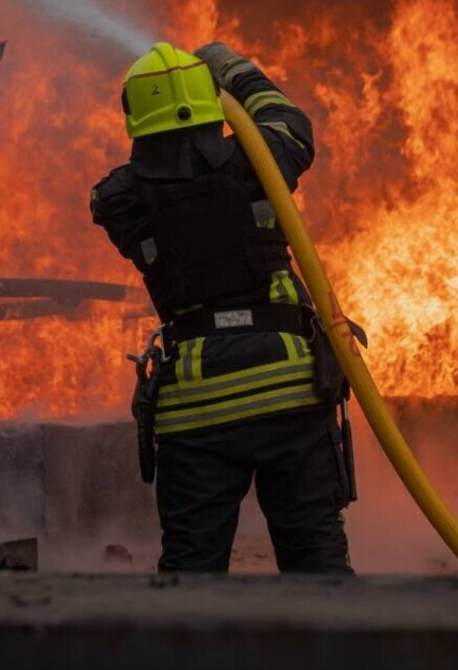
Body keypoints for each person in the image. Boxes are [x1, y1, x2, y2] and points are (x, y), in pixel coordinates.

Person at [91, 42, 354, 574]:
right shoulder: (259, 162)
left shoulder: (121, 198)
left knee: (191, 571)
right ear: (210, 102)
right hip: (289, 393)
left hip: (197, 406)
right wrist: (230, 68)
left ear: (135, 114)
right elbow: (291, 124)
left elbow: (111, 195)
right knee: (316, 561)